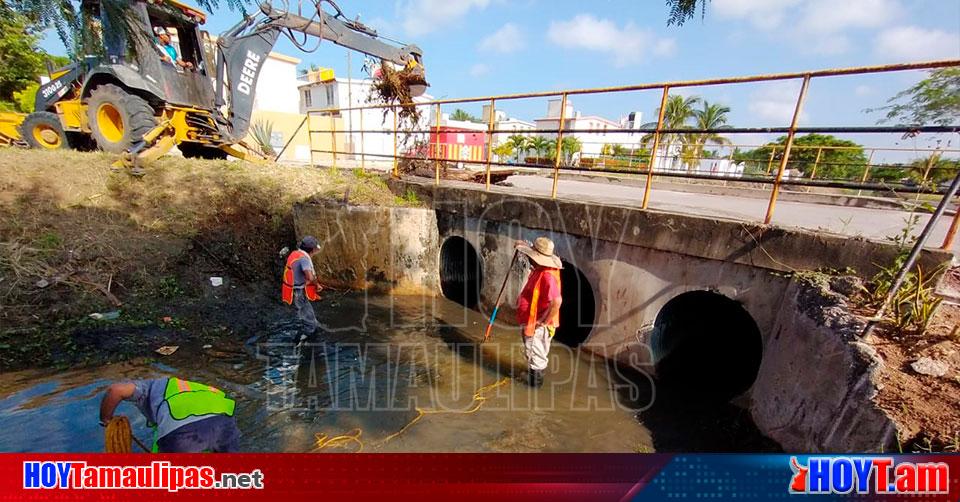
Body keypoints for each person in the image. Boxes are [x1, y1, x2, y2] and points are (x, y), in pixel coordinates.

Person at [100, 377, 239, 452]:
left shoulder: (147, 388)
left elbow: (116, 390)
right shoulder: (192, 387)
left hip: (181, 429)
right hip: (224, 420)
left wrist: (106, 419)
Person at [514, 237, 563, 388]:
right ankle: (531, 375)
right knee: (532, 352)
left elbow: (557, 301)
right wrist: (523, 245)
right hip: (531, 320)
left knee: (537, 357)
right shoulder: (540, 269)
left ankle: (534, 388)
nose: (530, 258)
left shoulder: (548, 275)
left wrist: (542, 321)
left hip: (539, 324)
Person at [282, 236, 324, 333]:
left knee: (307, 312)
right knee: (308, 322)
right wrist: (317, 285)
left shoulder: (296, 253)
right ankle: (304, 338)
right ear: (312, 250)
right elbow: (310, 276)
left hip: (295, 289)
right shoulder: (304, 260)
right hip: (297, 292)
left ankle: (313, 325)